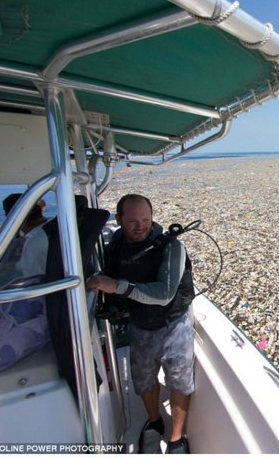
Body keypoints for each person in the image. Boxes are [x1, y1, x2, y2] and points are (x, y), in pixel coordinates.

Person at [87, 194, 195, 454]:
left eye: (146, 219)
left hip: (174, 324)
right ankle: (154, 421)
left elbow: (165, 293)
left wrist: (116, 287)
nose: (140, 226)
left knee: (179, 382)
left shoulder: (170, 248)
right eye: (133, 220)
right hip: (139, 324)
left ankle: (177, 437)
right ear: (119, 220)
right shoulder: (115, 247)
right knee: (143, 380)